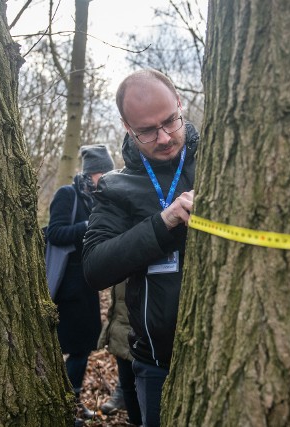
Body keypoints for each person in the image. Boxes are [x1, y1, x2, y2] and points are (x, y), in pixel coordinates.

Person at [82, 69, 198, 427]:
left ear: (179, 104)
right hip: (157, 363)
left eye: (170, 122)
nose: (164, 137)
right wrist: (164, 222)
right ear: (127, 126)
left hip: (225, 345)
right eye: (147, 130)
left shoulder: (223, 161)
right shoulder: (117, 188)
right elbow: (94, 267)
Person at [46, 144, 115, 424]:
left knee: (83, 347)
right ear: (91, 174)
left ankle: (71, 400)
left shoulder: (100, 198)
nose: (108, 180)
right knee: (67, 346)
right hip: (66, 284)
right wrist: (89, 225)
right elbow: (55, 233)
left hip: (88, 284)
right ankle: (64, 404)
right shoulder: (68, 195)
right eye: (104, 175)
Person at [97, 281, 142, 425]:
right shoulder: (122, 264)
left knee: (144, 386)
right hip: (122, 333)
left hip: (147, 335)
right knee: (128, 385)